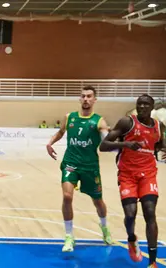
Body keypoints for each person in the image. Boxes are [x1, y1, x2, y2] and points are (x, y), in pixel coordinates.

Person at [101, 94, 166, 268]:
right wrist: (125, 143)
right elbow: (103, 145)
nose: (142, 106)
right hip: (127, 175)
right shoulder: (127, 122)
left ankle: (152, 265)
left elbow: (160, 144)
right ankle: (131, 239)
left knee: (149, 212)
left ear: (152, 107)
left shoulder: (158, 126)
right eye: (140, 104)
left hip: (148, 174)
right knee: (130, 214)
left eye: (146, 104)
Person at [45, 86, 114, 252]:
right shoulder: (70, 117)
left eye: (89, 96)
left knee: (98, 202)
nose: (86, 99)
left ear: (94, 99)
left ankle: (104, 227)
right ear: (79, 99)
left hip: (90, 166)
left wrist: (112, 141)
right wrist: (50, 143)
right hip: (71, 162)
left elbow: (106, 140)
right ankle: (69, 236)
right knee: (67, 196)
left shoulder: (99, 121)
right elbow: (61, 132)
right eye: (83, 96)